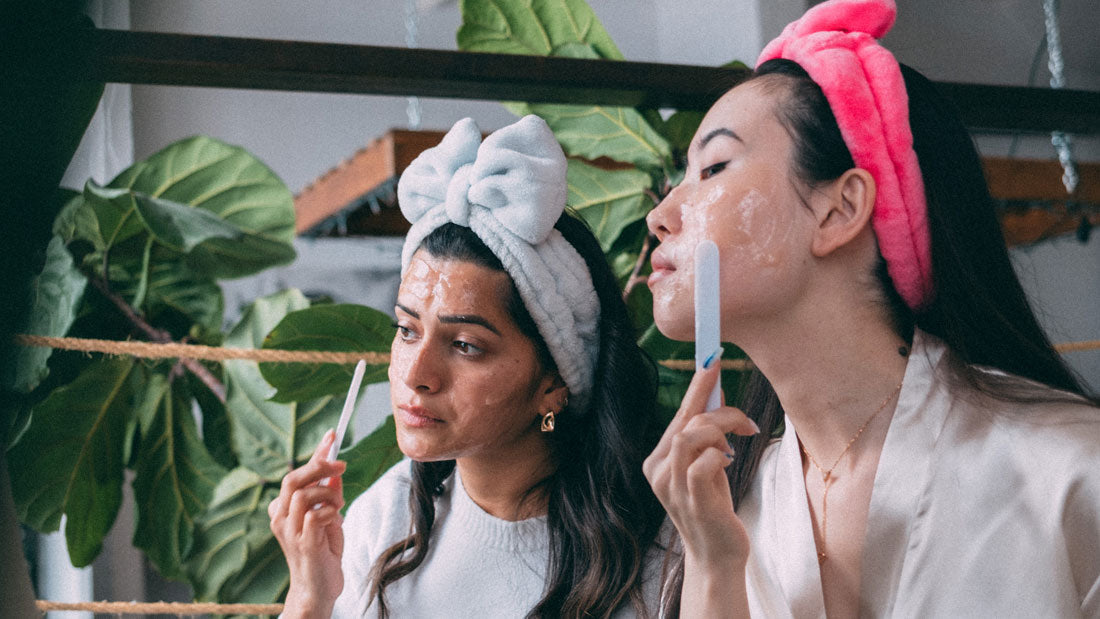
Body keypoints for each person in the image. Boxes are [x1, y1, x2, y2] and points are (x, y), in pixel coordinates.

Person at [642, 0, 1100, 616]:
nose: (661, 214)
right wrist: (712, 566)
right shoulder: (721, 512)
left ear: (840, 209)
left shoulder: (1073, 474)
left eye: (714, 167)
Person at [269, 115, 667, 618]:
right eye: (407, 330)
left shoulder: (655, 547)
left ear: (554, 383)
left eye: (464, 345)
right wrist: (309, 596)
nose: (415, 374)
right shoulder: (383, 522)